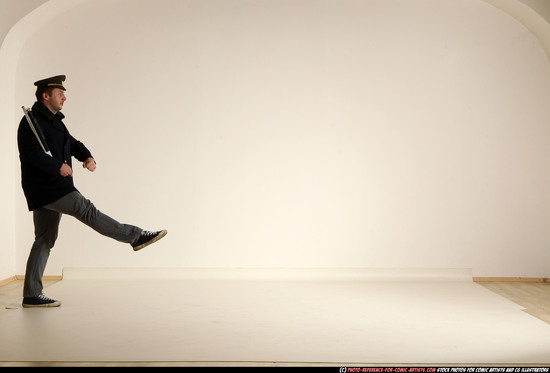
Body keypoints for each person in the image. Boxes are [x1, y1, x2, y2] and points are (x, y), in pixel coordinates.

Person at [17, 75, 167, 308]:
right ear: (46, 95)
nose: (64, 97)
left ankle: (31, 295)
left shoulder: (55, 121)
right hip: (48, 187)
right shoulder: (30, 122)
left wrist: (86, 156)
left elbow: (72, 143)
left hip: (49, 189)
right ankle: (135, 236)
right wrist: (58, 166)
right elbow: (31, 156)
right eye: (59, 94)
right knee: (87, 210)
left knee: (45, 239)